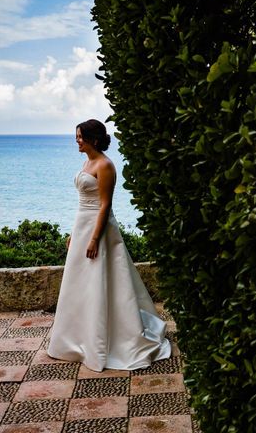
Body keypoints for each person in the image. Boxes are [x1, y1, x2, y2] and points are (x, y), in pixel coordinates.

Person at [48, 119, 170, 371]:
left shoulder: (105, 165)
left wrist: (94, 238)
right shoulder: (87, 162)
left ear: (93, 139)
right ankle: (78, 338)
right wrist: (75, 233)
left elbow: (104, 205)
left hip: (99, 230)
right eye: (76, 136)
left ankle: (110, 339)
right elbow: (84, 203)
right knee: (81, 283)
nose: (77, 140)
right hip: (83, 226)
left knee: (103, 281)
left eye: (80, 136)